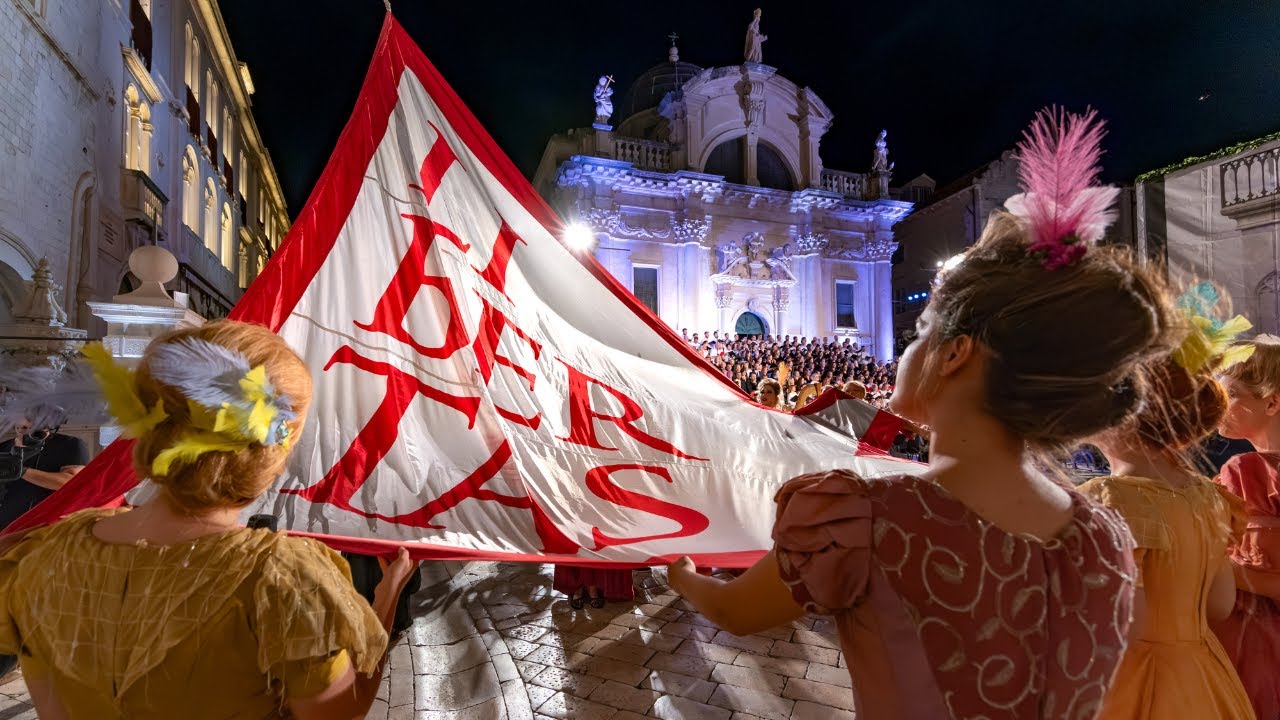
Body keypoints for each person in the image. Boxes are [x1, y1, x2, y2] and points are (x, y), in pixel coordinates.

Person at [665, 108, 1178, 717]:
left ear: (955, 354)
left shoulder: (868, 521)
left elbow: (734, 611)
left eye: (922, 331)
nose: (905, 346)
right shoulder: (1102, 536)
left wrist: (680, 569)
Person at [0, 321, 417, 719]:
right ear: (272, 447)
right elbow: (339, 714)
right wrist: (385, 602)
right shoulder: (281, 578)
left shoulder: (41, 555)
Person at [1079, 350, 1253, 718]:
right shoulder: (1211, 497)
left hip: (1135, 685)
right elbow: (1220, 605)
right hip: (1203, 677)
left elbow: (1126, 621)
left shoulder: (1109, 498)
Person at [1213, 334, 1280, 719]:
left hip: (1253, 646)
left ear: (1271, 402)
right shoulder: (1242, 471)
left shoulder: (1246, 472)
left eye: (1231, 394)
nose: (1218, 404)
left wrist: (1214, 566)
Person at [0, 404, 88, 531]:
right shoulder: (4, 447)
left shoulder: (71, 445)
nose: (21, 430)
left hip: (50, 528)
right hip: (7, 527)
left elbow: (71, 483)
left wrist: (22, 471)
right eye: (19, 427)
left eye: (27, 427)